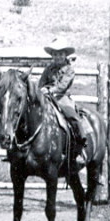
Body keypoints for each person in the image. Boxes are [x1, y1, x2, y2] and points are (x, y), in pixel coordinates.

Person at [38, 36, 90, 167]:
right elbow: (41, 82)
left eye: (60, 54)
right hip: (47, 97)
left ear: (65, 55)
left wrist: (51, 90)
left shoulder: (69, 70)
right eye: (55, 54)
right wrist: (42, 89)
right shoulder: (48, 69)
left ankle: (80, 146)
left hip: (62, 97)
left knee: (72, 116)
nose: (57, 57)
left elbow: (63, 85)